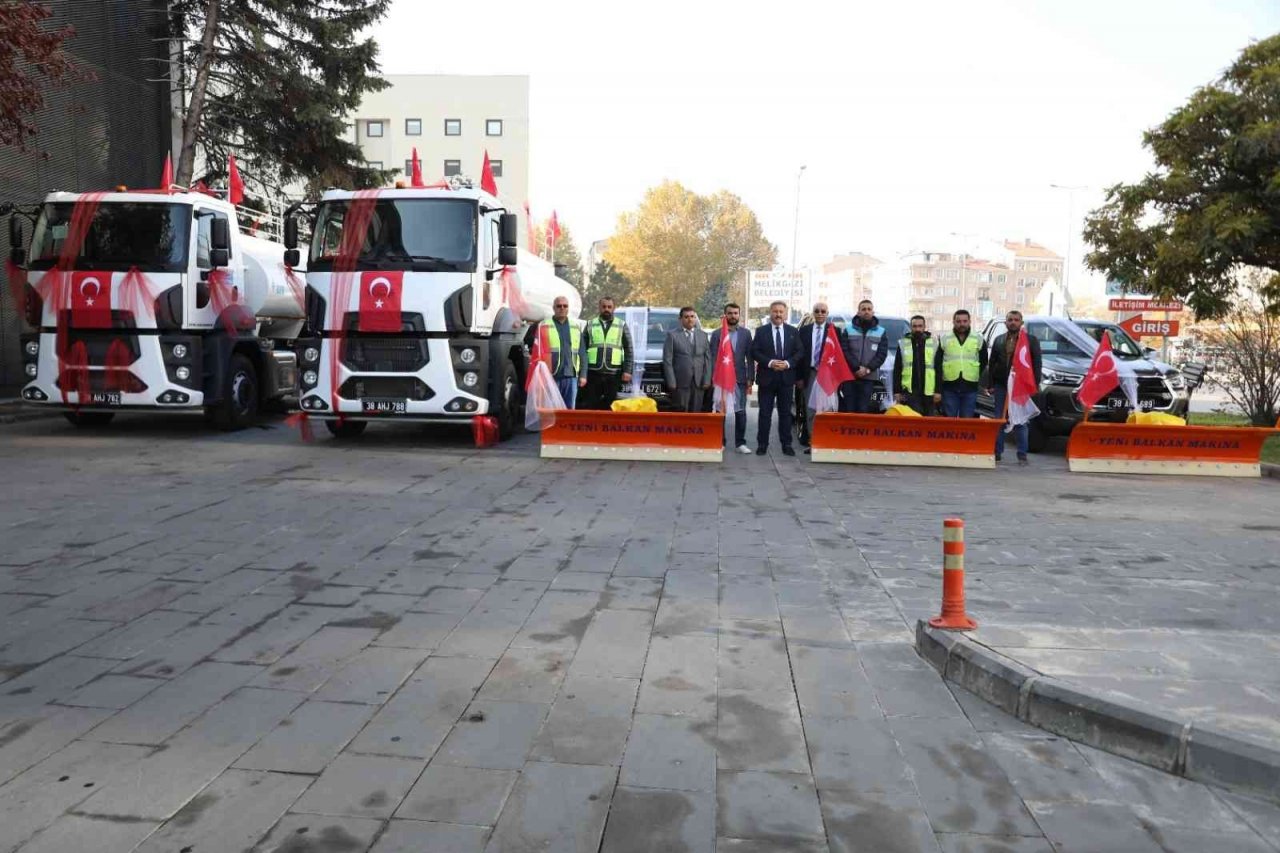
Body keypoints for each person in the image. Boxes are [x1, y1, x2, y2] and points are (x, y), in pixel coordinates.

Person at [986, 310, 1042, 464]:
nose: (1013, 322)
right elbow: (992, 364)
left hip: (1020, 386)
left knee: (1021, 420)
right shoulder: (998, 340)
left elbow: (1037, 364)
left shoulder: (1031, 340)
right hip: (1001, 385)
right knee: (1000, 419)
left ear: (1021, 323)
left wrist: (1034, 385)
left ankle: (1022, 454)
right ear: (1005, 323)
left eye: (1016, 320)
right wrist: (990, 384)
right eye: (1010, 319)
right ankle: (997, 452)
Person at [751, 300, 801, 456]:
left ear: (785, 314)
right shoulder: (761, 331)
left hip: (786, 379)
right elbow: (755, 352)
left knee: (785, 414)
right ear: (770, 313)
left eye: (781, 312)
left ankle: (786, 444)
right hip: (767, 378)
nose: (778, 314)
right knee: (764, 413)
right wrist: (770, 362)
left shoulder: (793, 331)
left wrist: (787, 363)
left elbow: (800, 352)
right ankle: (762, 445)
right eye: (775, 311)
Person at [706, 302, 755, 453]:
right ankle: (721, 442)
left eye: (735, 313)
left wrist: (750, 377)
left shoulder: (746, 334)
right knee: (721, 411)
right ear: (725, 315)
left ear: (739, 315)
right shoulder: (717, 334)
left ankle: (740, 443)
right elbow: (712, 357)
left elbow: (750, 357)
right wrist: (712, 378)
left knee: (741, 412)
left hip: (740, 378)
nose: (733, 316)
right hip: (721, 379)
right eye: (730, 313)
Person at [796, 302, 845, 452]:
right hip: (809, 374)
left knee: (828, 409)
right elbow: (798, 356)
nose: (820, 313)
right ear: (813, 313)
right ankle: (814, 442)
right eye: (817, 311)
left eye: (823, 311)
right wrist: (798, 378)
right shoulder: (804, 331)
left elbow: (840, 355)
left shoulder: (834, 330)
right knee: (810, 410)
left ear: (827, 313)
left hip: (827, 375)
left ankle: (827, 441)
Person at [577, 296, 634, 410]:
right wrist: (582, 373)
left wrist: (628, 370)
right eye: (604, 307)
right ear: (599, 307)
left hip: (613, 374)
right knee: (591, 405)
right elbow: (581, 349)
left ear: (614, 308)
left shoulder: (621, 325)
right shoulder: (590, 324)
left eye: (609, 307)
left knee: (610, 406)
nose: (606, 309)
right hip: (593, 373)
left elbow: (629, 349)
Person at [523, 296, 580, 409]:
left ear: (568, 308)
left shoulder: (575, 326)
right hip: (551, 376)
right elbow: (532, 346)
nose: (562, 308)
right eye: (559, 306)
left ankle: (565, 428)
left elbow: (581, 351)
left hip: (571, 376)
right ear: (554, 308)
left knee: (569, 411)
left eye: (565, 306)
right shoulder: (543, 325)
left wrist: (582, 375)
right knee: (550, 409)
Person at [936, 309, 987, 418]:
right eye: (958, 321)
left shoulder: (978, 338)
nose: (962, 324)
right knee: (949, 420)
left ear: (969, 322)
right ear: (953, 322)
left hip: (970, 387)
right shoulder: (945, 338)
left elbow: (984, 361)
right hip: (949, 386)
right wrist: (938, 389)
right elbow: (938, 364)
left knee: (967, 421)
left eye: (965, 321)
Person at [843, 299, 890, 413]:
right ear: (858, 312)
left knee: (863, 409)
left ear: (873, 312)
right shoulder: (848, 330)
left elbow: (881, 354)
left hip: (869, 377)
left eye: (869, 309)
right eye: (863, 309)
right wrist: (856, 367)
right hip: (850, 376)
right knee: (849, 409)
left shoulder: (881, 331)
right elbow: (844, 350)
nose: (866, 311)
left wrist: (868, 369)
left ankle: (859, 431)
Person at [662, 306, 712, 412]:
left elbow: (708, 359)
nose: (690, 319)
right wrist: (671, 381)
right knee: (681, 413)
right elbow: (667, 361)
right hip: (680, 382)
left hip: (699, 383)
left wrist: (707, 379)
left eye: (692, 316)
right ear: (680, 319)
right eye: (686, 317)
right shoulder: (672, 336)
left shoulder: (703, 335)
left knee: (696, 413)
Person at [893, 315, 938, 416]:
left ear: (924, 326)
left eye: (920, 326)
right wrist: (897, 391)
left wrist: (938, 391)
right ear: (910, 327)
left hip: (929, 391)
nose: (917, 329)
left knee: (929, 422)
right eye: (914, 326)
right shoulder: (903, 343)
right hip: (910, 391)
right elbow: (897, 369)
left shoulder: (934, 343)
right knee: (913, 421)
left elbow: (939, 369)